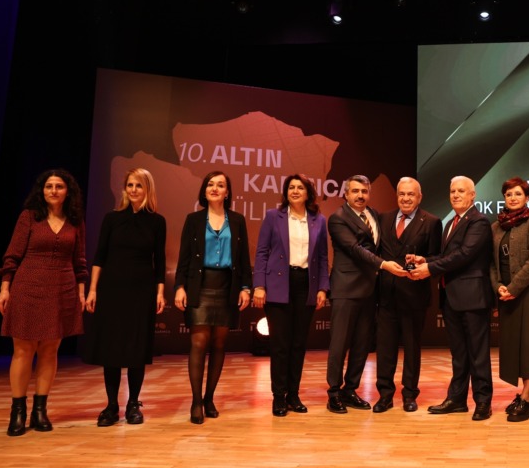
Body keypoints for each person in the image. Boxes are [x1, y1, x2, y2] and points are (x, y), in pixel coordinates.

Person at [0, 168, 88, 436]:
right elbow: (12, 255)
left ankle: (40, 410)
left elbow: (80, 261)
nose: (54, 191)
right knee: (23, 350)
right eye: (49, 186)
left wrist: (81, 292)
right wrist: (5, 289)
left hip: (62, 288)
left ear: (68, 191)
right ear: (42, 190)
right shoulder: (29, 217)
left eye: (59, 186)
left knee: (49, 350)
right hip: (28, 286)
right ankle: (18, 411)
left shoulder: (75, 221)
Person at [83, 168, 167, 427]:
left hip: (142, 291)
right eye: (129, 185)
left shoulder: (157, 222)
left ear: (147, 189)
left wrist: (160, 292)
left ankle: (133, 404)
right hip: (111, 289)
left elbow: (160, 260)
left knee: (136, 349)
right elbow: (100, 256)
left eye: (138, 185)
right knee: (112, 349)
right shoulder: (112, 219)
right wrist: (93, 289)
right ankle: (111, 406)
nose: (133, 190)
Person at [410, 176, 494, 421]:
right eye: (452, 191)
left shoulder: (478, 221)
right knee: (459, 354)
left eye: (461, 191)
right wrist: (425, 260)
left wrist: (429, 269)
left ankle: (483, 401)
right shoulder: (450, 223)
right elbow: (448, 255)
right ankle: (457, 400)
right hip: (451, 298)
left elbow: (464, 255)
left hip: (473, 297)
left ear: (472, 195)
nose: (455, 195)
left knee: (478, 354)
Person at [173, 170, 252, 425]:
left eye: (220, 185)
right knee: (198, 343)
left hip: (227, 287)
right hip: (200, 285)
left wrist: (246, 288)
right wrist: (180, 286)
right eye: (210, 184)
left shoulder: (238, 220)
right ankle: (196, 401)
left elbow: (243, 259)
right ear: (204, 190)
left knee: (219, 344)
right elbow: (184, 257)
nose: (215, 188)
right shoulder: (193, 219)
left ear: (227, 192)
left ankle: (209, 398)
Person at [326, 175, 406, 414]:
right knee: (339, 344)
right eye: (355, 191)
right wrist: (384, 264)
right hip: (346, 289)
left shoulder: (373, 214)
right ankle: (334, 393)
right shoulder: (338, 218)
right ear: (346, 194)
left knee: (362, 344)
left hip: (370, 290)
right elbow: (354, 249)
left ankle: (350, 390)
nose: (360, 195)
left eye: (364, 191)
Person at [252, 173, 330, 416]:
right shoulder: (273, 216)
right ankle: (278, 396)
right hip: (277, 284)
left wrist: (323, 288)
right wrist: (259, 285)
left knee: (298, 344)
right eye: (291, 187)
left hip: (306, 284)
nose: (295, 191)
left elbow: (323, 257)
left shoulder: (319, 220)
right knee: (280, 345)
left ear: (308, 193)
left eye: (300, 187)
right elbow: (262, 252)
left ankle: (293, 395)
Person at [373, 177, 442, 413]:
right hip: (386, 295)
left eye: (411, 194)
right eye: (402, 194)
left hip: (414, 296)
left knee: (412, 349)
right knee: (385, 349)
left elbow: (437, 257)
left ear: (419, 197)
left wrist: (423, 260)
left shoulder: (432, 222)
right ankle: (385, 395)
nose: (405, 198)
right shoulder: (383, 218)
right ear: (397, 196)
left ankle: (410, 395)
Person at [490, 177, 529, 422]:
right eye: (509, 194)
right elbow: (491, 263)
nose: (513, 198)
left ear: (527, 197)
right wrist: (498, 287)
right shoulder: (496, 227)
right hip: (506, 294)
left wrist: (514, 287)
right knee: (513, 345)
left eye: (518, 194)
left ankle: (526, 397)